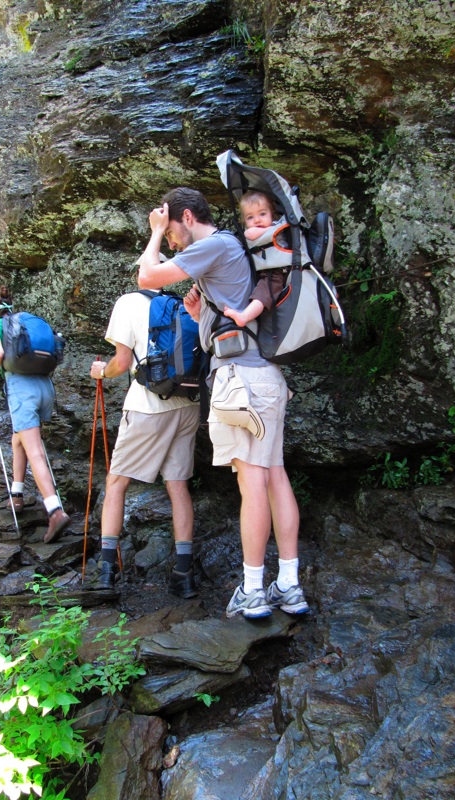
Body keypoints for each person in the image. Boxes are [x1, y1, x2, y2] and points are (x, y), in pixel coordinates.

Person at [137, 187, 309, 619]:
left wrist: (155, 234)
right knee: (274, 477)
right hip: (265, 378)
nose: (173, 239)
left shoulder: (214, 243)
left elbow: (146, 277)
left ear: (187, 217)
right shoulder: (233, 249)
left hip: (241, 382)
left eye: (173, 228)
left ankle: (253, 590)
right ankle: (288, 584)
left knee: (252, 484)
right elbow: (223, 327)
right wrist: (201, 319)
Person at [88, 287, 201, 598]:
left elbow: (122, 362)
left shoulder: (128, 301)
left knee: (116, 482)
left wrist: (102, 372)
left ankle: (106, 572)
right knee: (178, 485)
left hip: (149, 406)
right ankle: (183, 574)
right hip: (188, 403)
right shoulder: (179, 303)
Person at [0, 286, 71, 544]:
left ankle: (54, 510)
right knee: (19, 438)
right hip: (44, 387)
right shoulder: (23, 323)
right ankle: (16, 494)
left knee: (35, 450)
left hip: (23, 390)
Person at [223, 190, 289, 328]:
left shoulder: (276, 227)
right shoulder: (261, 229)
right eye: (250, 217)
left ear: (272, 214)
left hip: (275, 271)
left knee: (264, 292)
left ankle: (244, 316)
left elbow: (252, 233)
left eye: (262, 214)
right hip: (261, 271)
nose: (257, 220)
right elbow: (250, 233)